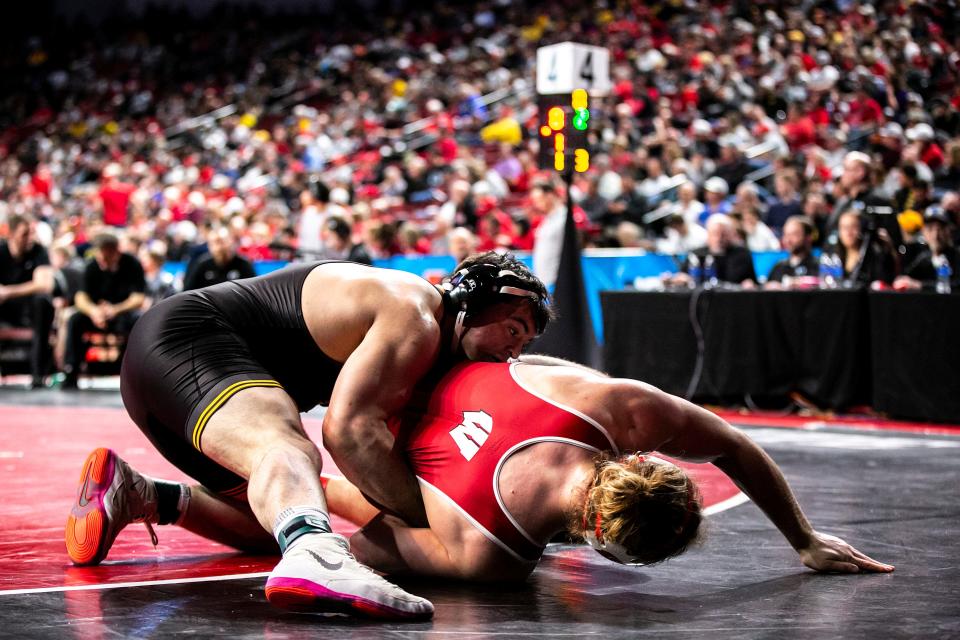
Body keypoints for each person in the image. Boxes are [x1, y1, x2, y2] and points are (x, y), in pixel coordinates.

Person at [68, 361, 892, 592]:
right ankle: (151, 498)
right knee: (324, 522)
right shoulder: (489, 555)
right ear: (604, 539)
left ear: (643, 461)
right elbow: (361, 540)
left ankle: (158, 491)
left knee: (346, 483)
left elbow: (734, 447)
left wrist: (805, 537)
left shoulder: (610, 403)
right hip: (312, 439)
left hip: (337, 372)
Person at [66, 252, 550, 620]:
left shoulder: (421, 346)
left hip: (166, 376)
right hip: (187, 340)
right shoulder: (416, 311)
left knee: (278, 517)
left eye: (524, 343)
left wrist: (465, 518)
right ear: (470, 305)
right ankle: (319, 555)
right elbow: (350, 434)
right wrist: (444, 522)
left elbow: (389, 471)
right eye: (512, 329)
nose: (513, 351)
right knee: (289, 451)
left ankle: (140, 494)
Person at [62, 232, 146, 389]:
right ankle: (71, 371)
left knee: (139, 321)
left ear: (116, 251)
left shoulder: (132, 264)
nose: (102, 261)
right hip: (97, 315)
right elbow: (81, 298)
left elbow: (138, 298)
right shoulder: (91, 265)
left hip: (122, 314)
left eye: (106, 257)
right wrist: (94, 311)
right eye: (100, 256)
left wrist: (114, 310)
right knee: (75, 320)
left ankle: (133, 374)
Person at [0, 214, 54, 388]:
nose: (30, 238)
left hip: (29, 307)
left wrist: (8, 291)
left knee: (43, 302)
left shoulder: (39, 251)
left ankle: (38, 374)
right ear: (11, 234)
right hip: (4, 306)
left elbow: (44, 284)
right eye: (25, 234)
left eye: (31, 233)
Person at [665, 214, 757, 288]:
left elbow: (741, 281)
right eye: (715, 234)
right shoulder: (696, 254)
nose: (719, 238)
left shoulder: (742, 254)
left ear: (731, 235)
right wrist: (677, 280)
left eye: (723, 234)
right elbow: (683, 275)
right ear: (708, 235)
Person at [893, 206, 960, 291]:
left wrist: (920, 285)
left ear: (948, 231)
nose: (936, 235)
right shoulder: (924, 258)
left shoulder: (956, 256)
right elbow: (904, 278)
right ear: (924, 232)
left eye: (940, 229)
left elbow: (956, 285)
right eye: (930, 229)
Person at [831, 209, 898, 287]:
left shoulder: (873, 256)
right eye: (844, 227)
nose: (848, 232)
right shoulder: (833, 256)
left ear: (861, 229)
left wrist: (887, 249)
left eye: (853, 227)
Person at [182, 226, 256, 291]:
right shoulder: (202, 264)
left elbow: (254, 292)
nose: (220, 247)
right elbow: (188, 291)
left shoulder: (244, 264)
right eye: (216, 242)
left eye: (223, 242)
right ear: (209, 246)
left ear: (231, 242)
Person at [765, 216, 820, 287]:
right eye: (786, 235)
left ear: (808, 237)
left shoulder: (818, 266)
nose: (788, 240)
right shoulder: (779, 267)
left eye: (794, 234)